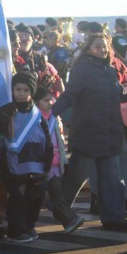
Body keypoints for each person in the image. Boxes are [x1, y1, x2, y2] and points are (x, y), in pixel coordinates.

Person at [52, 33, 127, 230]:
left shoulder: (109, 69)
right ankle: (60, 209)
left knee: (112, 179)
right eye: (97, 45)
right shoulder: (82, 69)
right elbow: (70, 95)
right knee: (76, 177)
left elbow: (117, 95)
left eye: (105, 45)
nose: (102, 49)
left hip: (110, 133)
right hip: (88, 133)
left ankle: (114, 218)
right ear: (89, 48)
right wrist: (49, 114)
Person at [0, 72, 52, 242]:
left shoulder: (36, 114)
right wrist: (4, 115)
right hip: (14, 165)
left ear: (31, 92)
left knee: (36, 197)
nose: (22, 93)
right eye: (18, 89)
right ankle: (16, 230)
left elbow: (46, 138)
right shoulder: (7, 110)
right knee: (17, 199)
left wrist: (48, 159)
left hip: (36, 164)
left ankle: (29, 225)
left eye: (26, 90)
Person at [33, 88, 86, 234]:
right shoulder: (35, 119)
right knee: (55, 193)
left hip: (55, 163)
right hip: (44, 163)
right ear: (36, 103)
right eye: (45, 100)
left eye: (51, 99)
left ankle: (67, 219)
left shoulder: (53, 118)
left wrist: (63, 160)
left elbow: (60, 141)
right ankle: (69, 219)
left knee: (56, 194)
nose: (50, 103)